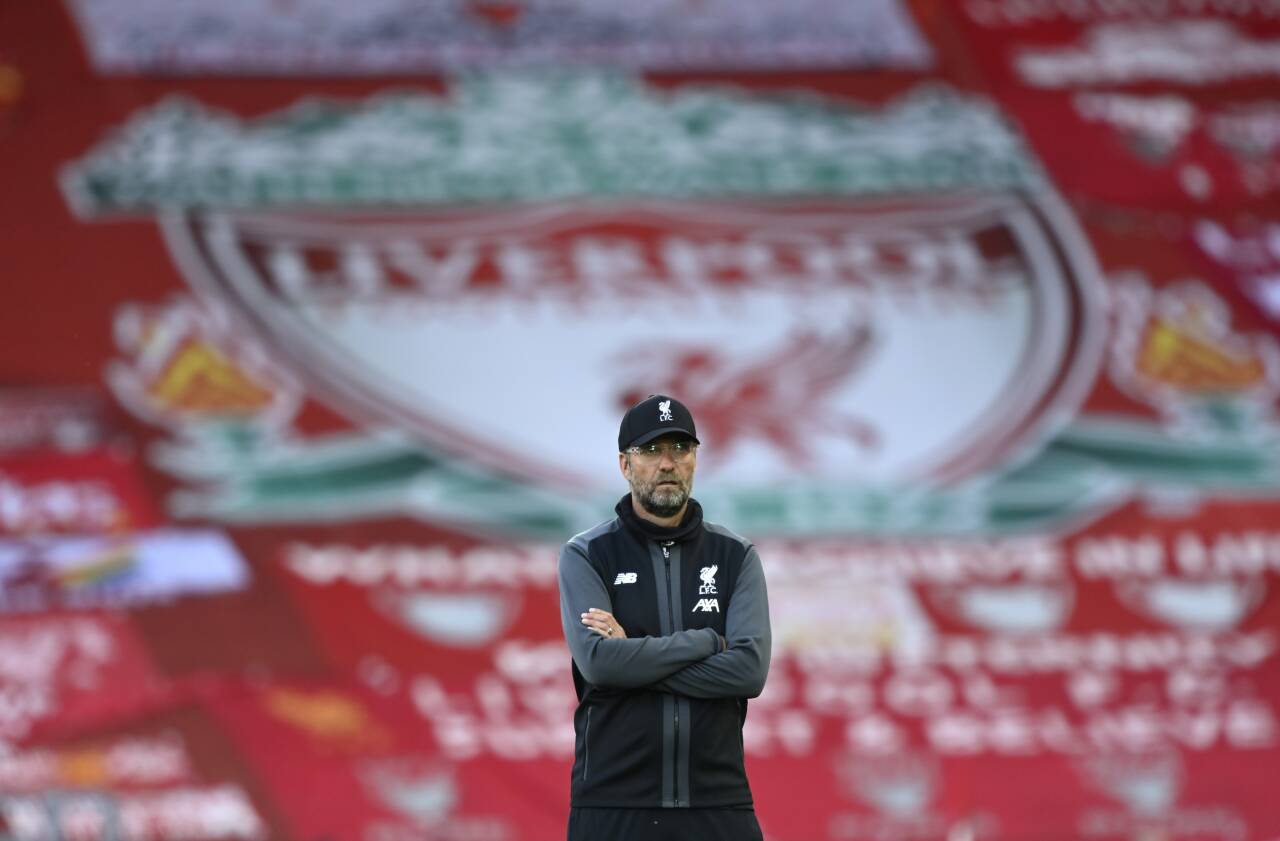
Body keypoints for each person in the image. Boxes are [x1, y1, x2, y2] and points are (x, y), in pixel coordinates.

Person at [557, 394, 771, 841]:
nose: (668, 463)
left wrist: (631, 655)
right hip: (613, 804)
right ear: (625, 464)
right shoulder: (588, 554)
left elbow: (748, 672)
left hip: (718, 802)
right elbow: (599, 664)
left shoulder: (736, 556)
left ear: (696, 458)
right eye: (651, 451)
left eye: (681, 449)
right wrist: (707, 643)